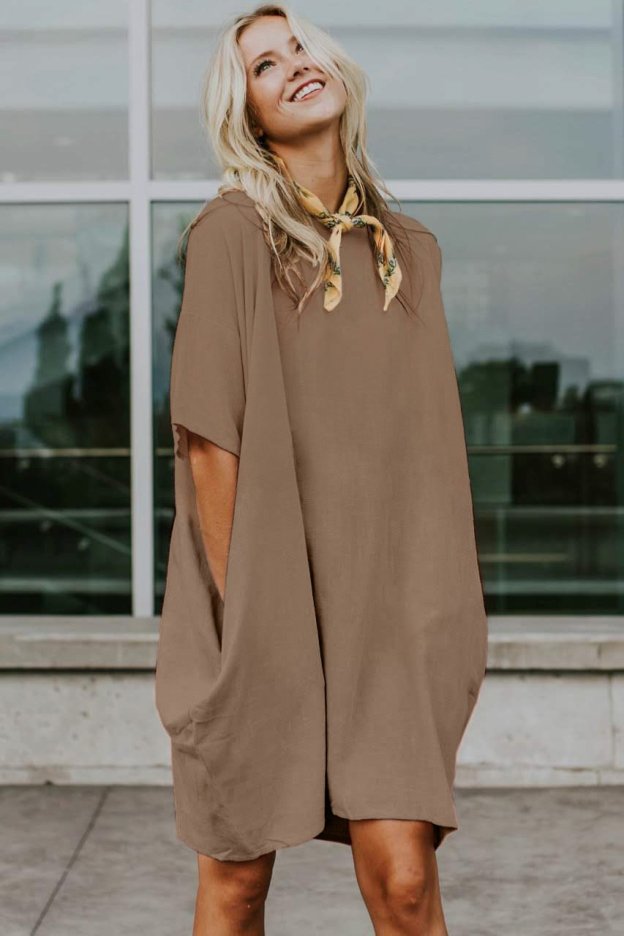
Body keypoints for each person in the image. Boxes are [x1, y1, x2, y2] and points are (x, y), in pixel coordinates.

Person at [155, 4, 489, 934]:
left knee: (406, 882)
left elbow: (424, 455)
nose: (294, 65)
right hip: (259, 609)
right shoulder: (230, 234)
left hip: (387, 615)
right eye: (265, 65)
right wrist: (248, 616)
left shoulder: (409, 254)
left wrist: (444, 604)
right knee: (238, 882)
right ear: (248, 115)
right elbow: (208, 441)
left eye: (299, 47)